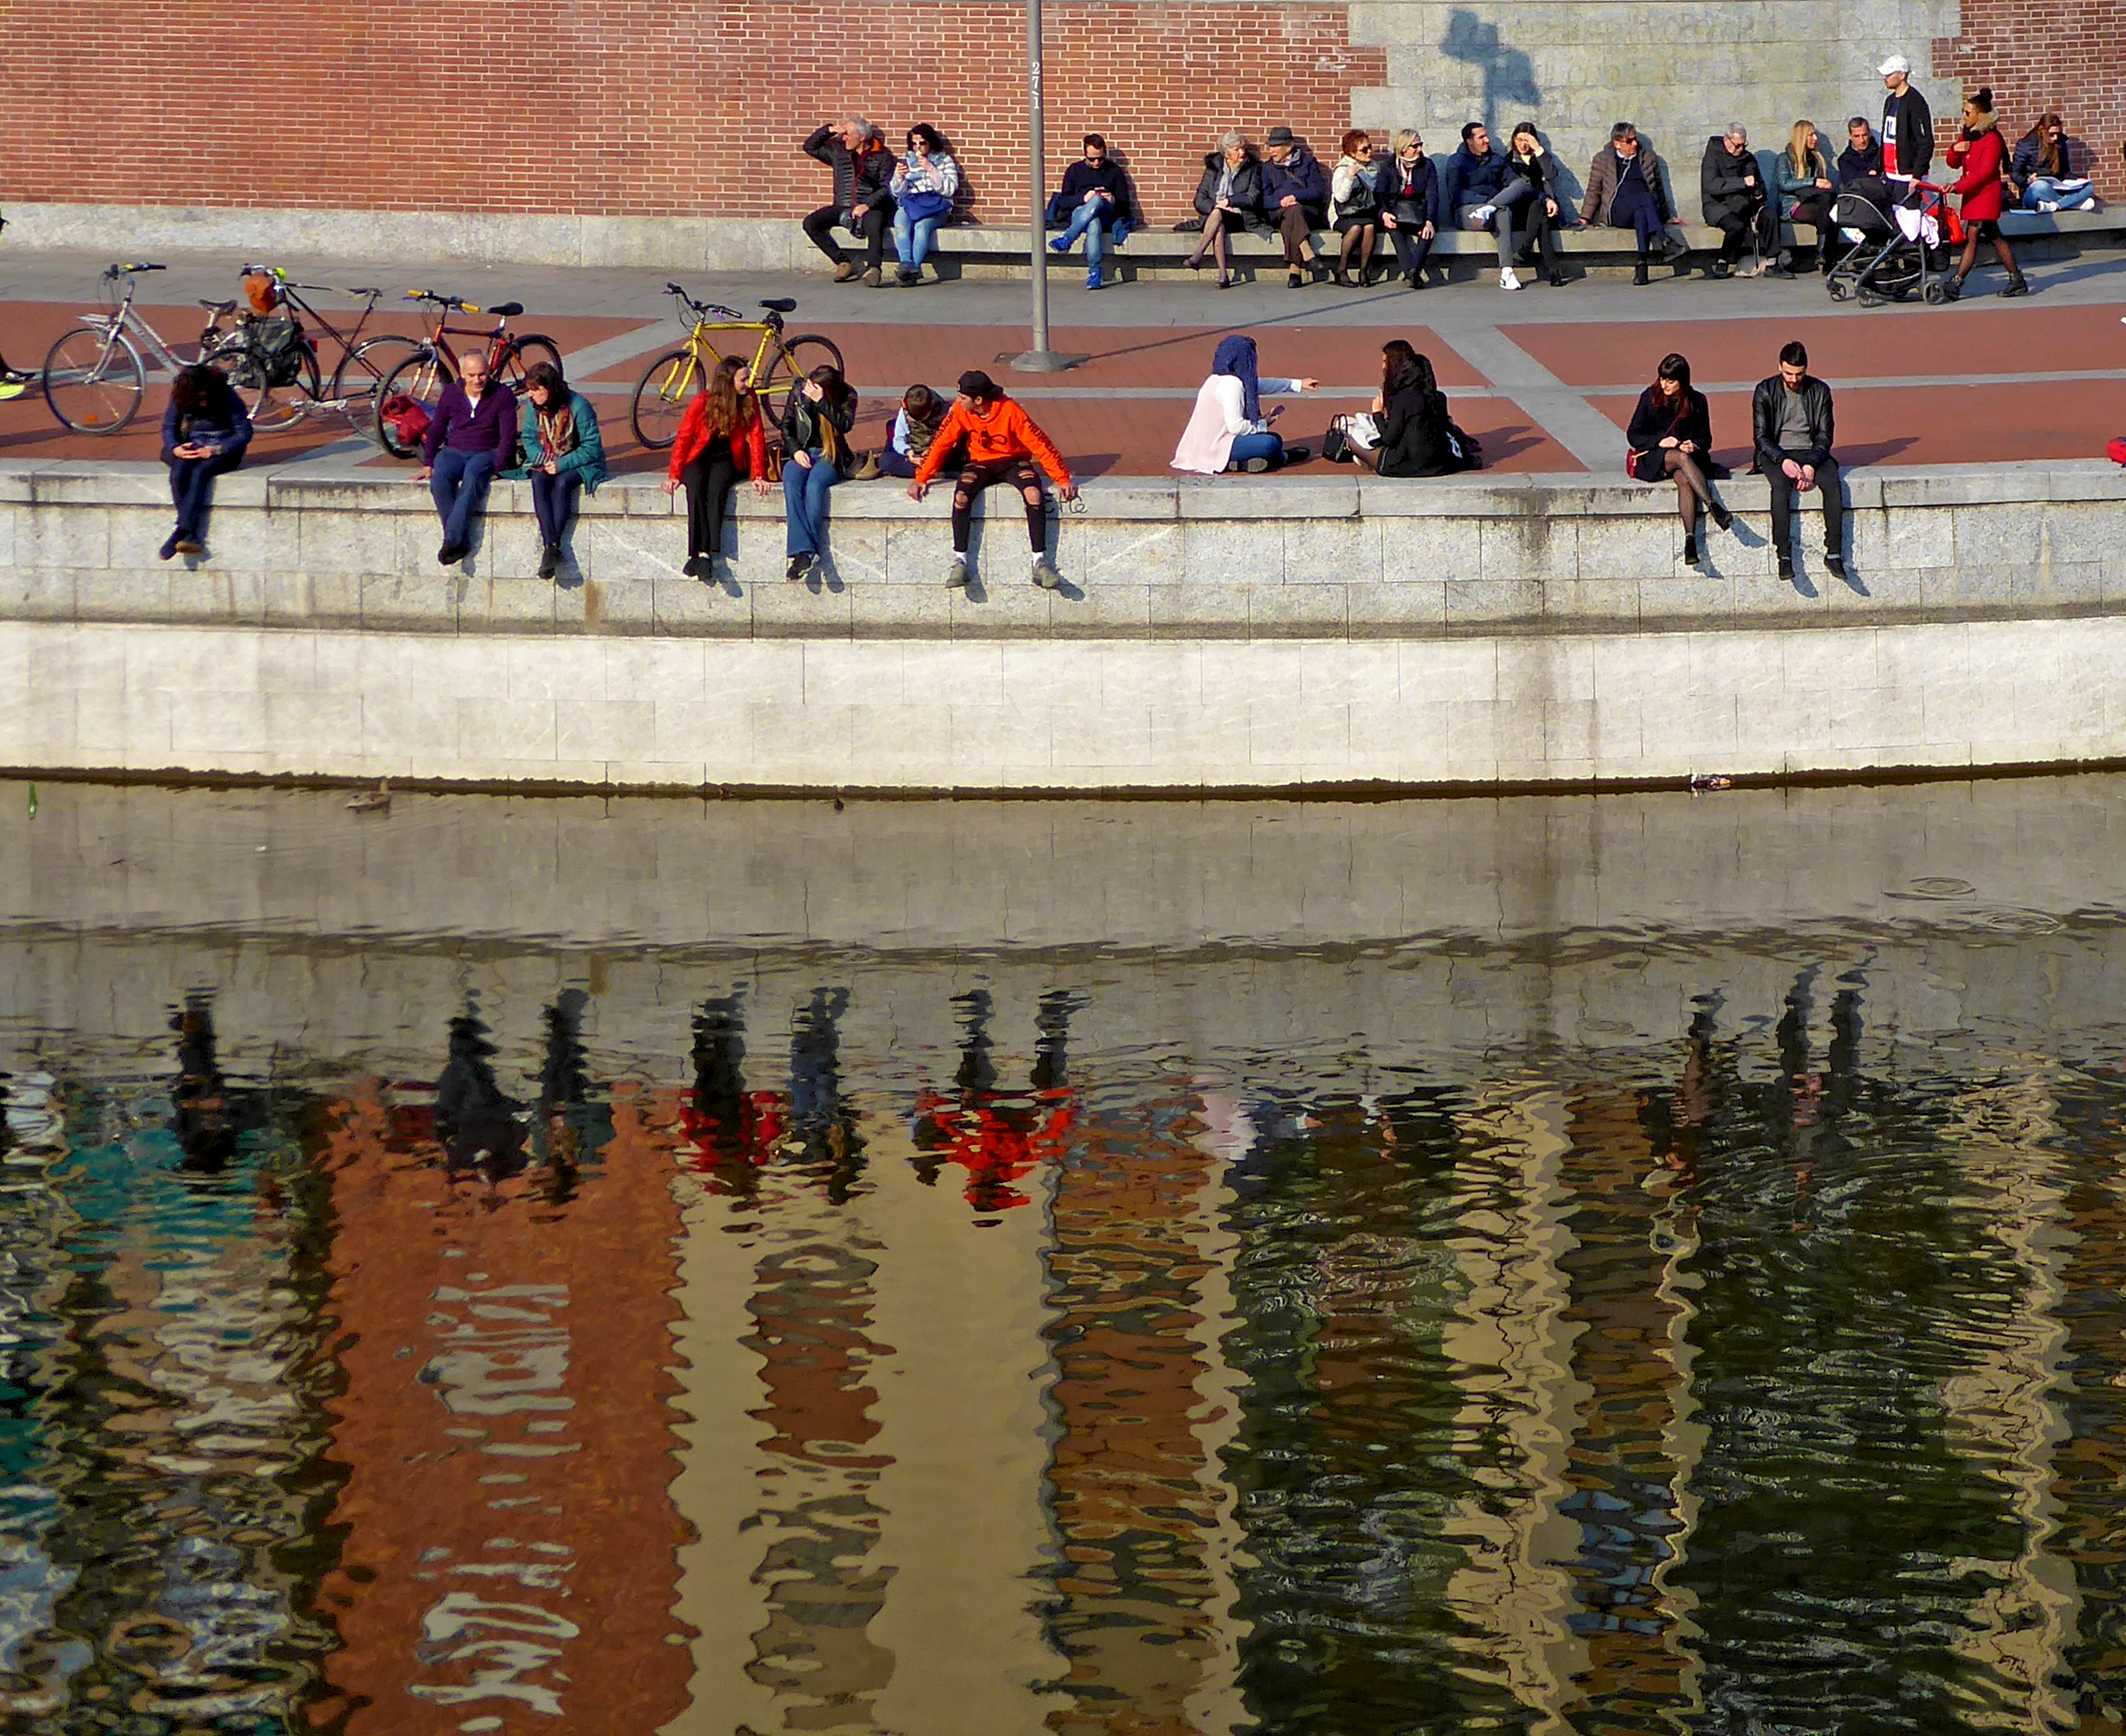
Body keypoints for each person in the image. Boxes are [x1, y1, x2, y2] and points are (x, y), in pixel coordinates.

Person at [908, 369, 1078, 591]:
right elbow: (941, 442)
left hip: (1012, 460)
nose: (957, 401)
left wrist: (1062, 478)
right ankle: (961, 561)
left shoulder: (1009, 410)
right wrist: (922, 477)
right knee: (961, 497)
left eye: (962, 397)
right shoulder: (960, 411)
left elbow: (1039, 443)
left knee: (1034, 494)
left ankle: (1040, 562)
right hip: (979, 462)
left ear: (978, 400)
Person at [665, 357, 771, 580]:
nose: (747, 382)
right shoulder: (702, 401)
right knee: (694, 487)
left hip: (730, 457)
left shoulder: (749, 399)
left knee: (716, 489)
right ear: (728, 381)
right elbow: (683, 437)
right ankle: (697, 552)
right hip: (701, 455)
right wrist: (674, 474)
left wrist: (758, 473)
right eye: (743, 378)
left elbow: (757, 435)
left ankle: (708, 553)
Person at [1625, 353, 1734, 569]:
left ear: (1682, 381)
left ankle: (1690, 540)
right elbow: (1633, 435)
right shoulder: (1649, 397)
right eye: (1662, 379)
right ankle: (1713, 506)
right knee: (1681, 458)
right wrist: (1660, 441)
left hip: (1687, 459)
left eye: (1670, 380)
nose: (1664, 384)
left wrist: (1693, 444)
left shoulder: (1698, 401)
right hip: (1657, 457)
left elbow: (1706, 439)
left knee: (1685, 480)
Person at [502, 361, 606, 582]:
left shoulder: (579, 406)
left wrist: (561, 464)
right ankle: (553, 547)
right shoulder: (534, 407)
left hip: (580, 463)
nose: (530, 395)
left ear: (548, 389)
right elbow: (529, 437)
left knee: (562, 484)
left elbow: (591, 448)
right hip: (547, 459)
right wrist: (541, 458)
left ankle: (551, 547)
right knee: (538, 480)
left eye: (535, 390)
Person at [1753, 340, 1843, 582]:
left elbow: (1825, 435)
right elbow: (1761, 437)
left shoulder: (1820, 390)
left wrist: (1811, 465)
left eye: (1799, 374)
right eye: (1788, 373)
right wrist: (1782, 460)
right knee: (1780, 487)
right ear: (1779, 367)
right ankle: (1784, 555)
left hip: (1811, 452)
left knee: (1833, 485)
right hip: (1776, 453)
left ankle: (1834, 552)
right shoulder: (1764, 390)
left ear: (1806, 369)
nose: (1793, 379)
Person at [416, 349, 517, 567]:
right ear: (462, 374)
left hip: (486, 450)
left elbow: (508, 435)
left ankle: (451, 541)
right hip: (455, 450)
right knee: (439, 481)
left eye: (482, 374)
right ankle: (459, 541)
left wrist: (499, 466)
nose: (477, 380)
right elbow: (437, 428)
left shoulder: (502, 395)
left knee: (472, 478)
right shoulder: (452, 393)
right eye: (472, 375)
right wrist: (428, 462)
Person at [1171, 335, 1320, 475]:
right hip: (1216, 447)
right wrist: (1263, 424)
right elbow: (1235, 426)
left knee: (1269, 440)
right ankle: (1280, 458)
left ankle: (1251, 461)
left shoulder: (1216, 379)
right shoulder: (1232, 385)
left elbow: (1261, 385)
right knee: (1271, 442)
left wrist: (1298, 384)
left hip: (1203, 446)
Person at [1334, 340, 1478, 477]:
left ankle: (1359, 453)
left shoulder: (1403, 398)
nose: (1383, 367)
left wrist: (1377, 412)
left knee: (1349, 439)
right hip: (1439, 465)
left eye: (1385, 362)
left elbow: (1389, 439)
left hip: (1406, 465)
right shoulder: (1438, 397)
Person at [157, 364, 251, 560]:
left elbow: (244, 433)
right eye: (197, 398)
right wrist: (176, 447)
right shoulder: (180, 395)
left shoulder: (226, 395)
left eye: (205, 397)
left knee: (200, 473)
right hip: (194, 444)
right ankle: (189, 534)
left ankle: (182, 531)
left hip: (224, 448)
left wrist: (216, 450)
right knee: (179, 470)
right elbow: (169, 426)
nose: (202, 402)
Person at [1582, 122, 1690, 285]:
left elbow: (1659, 189)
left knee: (1642, 211)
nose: (1634, 144)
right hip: (1617, 210)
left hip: (1642, 209)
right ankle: (1664, 240)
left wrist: (1667, 216)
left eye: (1635, 140)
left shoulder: (1648, 157)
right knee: (1644, 197)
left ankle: (1642, 266)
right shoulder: (1602, 159)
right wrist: (1585, 217)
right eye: (1629, 141)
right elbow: (1593, 190)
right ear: (1617, 144)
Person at [1944, 87, 2027, 298]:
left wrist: (1958, 186)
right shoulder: (1968, 136)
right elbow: (1952, 163)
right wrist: (1956, 149)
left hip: (1985, 196)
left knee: (1973, 235)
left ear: (1980, 115)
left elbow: (1985, 172)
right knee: (1995, 237)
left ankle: (1957, 282)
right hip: (1974, 196)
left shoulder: (1991, 139)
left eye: (1967, 113)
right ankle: (2016, 278)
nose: (1964, 117)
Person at [780, 363, 857, 583]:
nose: (808, 388)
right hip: (802, 452)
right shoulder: (798, 390)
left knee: (814, 486)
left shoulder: (848, 395)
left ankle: (805, 554)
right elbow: (786, 426)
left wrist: (821, 402)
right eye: (809, 384)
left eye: (815, 387)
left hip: (829, 453)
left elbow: (844, 424)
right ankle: (803, 552)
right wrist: (795, 451)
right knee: (792, 481)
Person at [802, 117, 895, 287]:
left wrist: (867, 204)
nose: (843, 138)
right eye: (843, 134)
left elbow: (887, 187)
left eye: (847, 134)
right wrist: (829, 130)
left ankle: (874, 269)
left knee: (874, 225)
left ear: (862, 137)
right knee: (811, 223)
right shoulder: (838, 152)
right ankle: (843, 263)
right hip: (843, 205)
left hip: (870, 206)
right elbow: (809, 146)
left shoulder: (882, 157)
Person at [1445, 121, 1534, 290]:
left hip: (1494, 208)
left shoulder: (1497, 160)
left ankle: (1507, 272)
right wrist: (1485, 201)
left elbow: (1514, 183)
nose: (1487, 140)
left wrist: (1544, 198)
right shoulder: (1456, 162)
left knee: (1521, 184)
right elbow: (1456, 194)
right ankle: (1491, 207)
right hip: (1467, 211)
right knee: (1502, 208)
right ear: (1469, 141)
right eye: (1481, 137)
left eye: (1487, 136)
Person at [1048, 133, 1133, 290]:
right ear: (1085, 155)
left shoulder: (1114, 171)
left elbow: (1124, 205)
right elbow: (1064, 201)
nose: (1096, 163)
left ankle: (1067, 239)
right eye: (1092, 159)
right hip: (1081, 212)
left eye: (1100, 158)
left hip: (1106, 212)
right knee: (1093, 224)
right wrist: (1083, 198)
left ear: (1104, 154)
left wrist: (1112, 199)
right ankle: (1095, 272)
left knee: (1098, 200)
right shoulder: (1074, 170)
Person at [1185, 131, 1267, 289]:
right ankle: (1223, 276)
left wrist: (1230, 201)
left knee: (1218, 215)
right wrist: (1215, 206)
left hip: (1240, 215)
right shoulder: (1213, 168)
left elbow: (1252, 197)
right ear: (1227, 152)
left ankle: (1198, 255)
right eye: (1237, 149)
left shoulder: (1252, 168)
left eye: (1242, 148)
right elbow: (1199, 199)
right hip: (1216, 216)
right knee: (1218, 224)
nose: (1242, 152)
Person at [1702, 123, 1783, 277]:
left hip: (1747, 204)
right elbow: (1711, 185)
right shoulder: (1713, 156)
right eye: (1737, 145)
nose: (1740, 149)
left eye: (1743, 145)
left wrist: (1759, 193)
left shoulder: (1748, 158)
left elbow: (1759, 184)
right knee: (1736, 227)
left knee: (1769, 214)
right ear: (1726, 140)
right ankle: (1723, 260)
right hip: (1718, 206)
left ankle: (1773, 262)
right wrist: (1742, 182)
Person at [890, 124, 959, 287]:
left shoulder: (944, 160)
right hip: (912, 203)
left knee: (922, 227)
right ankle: (906, 264)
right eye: (914, 144)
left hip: (935, 206)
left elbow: (949, 189)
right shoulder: (907, 159)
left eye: (922, 143)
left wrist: (930, 169)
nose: (917, 147)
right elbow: (896, 192)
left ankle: (914, 268)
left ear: (931, 142)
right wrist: (900, 178)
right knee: (900, 223)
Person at [1261, 126, 1328, 288]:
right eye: (1270, 146)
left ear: (1289, 146)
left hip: (1306, 212)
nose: (1271, 150)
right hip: (1278, 212)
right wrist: (1280, 202)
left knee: (1293, 214)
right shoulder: (1267, 168)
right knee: (1292, 212)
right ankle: (1307, 253)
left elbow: (1317, 192)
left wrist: (1295, 197)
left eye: (1275, 146)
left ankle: (1295, 270)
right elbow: (1264, 199)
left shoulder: (1308, 163)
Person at [1504, 122, 1568, 287]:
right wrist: (1545, 199)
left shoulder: (1540, 157)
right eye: (1520, 139)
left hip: (1544, 208)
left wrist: (1538, 149)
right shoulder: (1508, 161)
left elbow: (1551, 174)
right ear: (1513, 140)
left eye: (1527, 140)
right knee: (1539, 212)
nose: (1523, 144)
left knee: (1541, 215)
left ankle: (1526, 248)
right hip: (1520, 209)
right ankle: (1553, 271)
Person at [1775, 121, 1842, 273]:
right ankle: (1826, 258)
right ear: (1802, 137)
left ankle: (1823, 255)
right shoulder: (1784, 158)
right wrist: (1814, 181)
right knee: (1829, 210)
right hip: (1795, 205)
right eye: (1811, 135)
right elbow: (1784, 183)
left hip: (1816, 203)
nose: (1815, 138)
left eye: (1815, 134)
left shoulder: (1818, 159)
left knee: (1829, 207)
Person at [1377, 128, 1440, 287]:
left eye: (1420, 145)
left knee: (1426, 233)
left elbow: (1432, 194)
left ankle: (1412, 272)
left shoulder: (1427, 165)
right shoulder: (1388, 166)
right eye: (1415, 146)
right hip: (1394, 211)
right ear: (1404, 148)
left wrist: (1429, 220)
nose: (1419, 149)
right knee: (1395, 232)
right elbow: (1379, 193)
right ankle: (1413, 274)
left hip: (1419, 210)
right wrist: (1384, 213)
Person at [1327, 130, 1382, 286]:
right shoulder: (1342, 169)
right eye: (1364, 150)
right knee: (1356, 228)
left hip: (1364, 211)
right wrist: (1350, 177)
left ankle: (1364, 271)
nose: (1369, 152)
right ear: (1351, 152)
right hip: (1343, 214)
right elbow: (1340, 198)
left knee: (1370, 226)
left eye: (1370, 147)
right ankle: (1342, 270)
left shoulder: (1373, 167)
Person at [2009, 113, 2095, 210]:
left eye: (2058, 134)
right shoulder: (2026, 144)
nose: (2055, 138)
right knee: (2040, 186)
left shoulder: (2060, 143)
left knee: (2088, 186)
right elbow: (2015, 173)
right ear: (2042, 130)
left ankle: (2056, 205)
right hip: (2033, 191)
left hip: (2056, 189)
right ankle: (2073, 204)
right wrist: (2027, 180)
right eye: (2051, 134)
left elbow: (2065, 172)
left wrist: (2076, 180)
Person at [1877, 55, 1934, 182]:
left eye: (1889, 74)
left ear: (1902, 75)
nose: (1885, 78)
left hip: (1908, 176)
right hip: (1889, 174)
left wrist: (1917, 175)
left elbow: (1925, 141)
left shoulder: (1915, 101)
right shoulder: (1890, 101)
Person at [879, 383, 951, 479]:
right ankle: (932, 472)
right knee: (886, 461)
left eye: (922, 418)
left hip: (937, 454)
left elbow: (949, 440)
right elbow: (898, 439)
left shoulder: (947, 412)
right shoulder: (904, 413)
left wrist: (931, 452)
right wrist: (909, 453)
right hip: (915, 453)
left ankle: (930, 470)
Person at [1838, 115, 1884, 184]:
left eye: (1864, 135)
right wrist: (1869, 173)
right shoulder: (1844, 160)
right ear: (1850, 136)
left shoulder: (1881, 154)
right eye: (1857, 136)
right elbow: (1849, 180)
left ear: (1870, 134)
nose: (1862, 140)